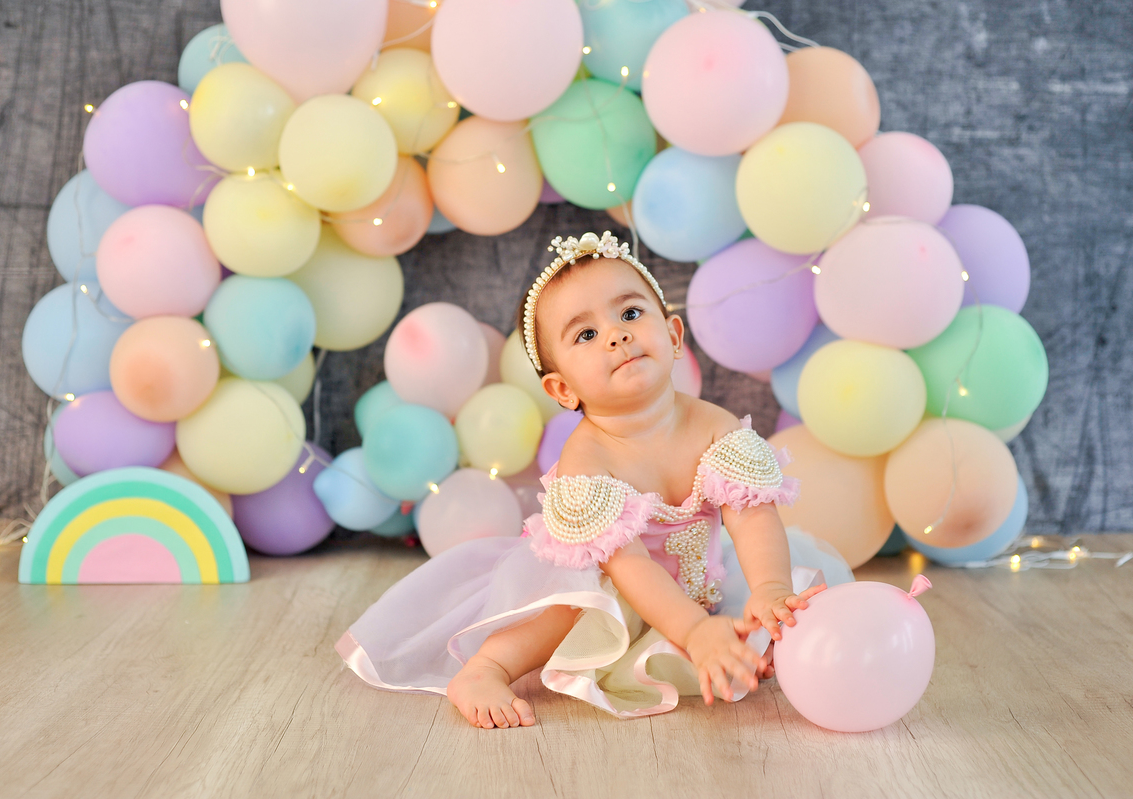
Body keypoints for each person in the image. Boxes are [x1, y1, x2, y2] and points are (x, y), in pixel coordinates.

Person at [337, 230, 853, 729]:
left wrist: (768, 588)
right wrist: (695, 631)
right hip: (612, 582)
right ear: (563, 389)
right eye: (586, 335)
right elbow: (630, 566)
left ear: (674, 336)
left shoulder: (714, 426)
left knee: (786, 605)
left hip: (699, 585)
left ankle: (743, 645)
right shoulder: (587, 460)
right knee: (568, 610)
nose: (616, 335)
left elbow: (752, 517)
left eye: (630, 313)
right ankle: (484, 670)